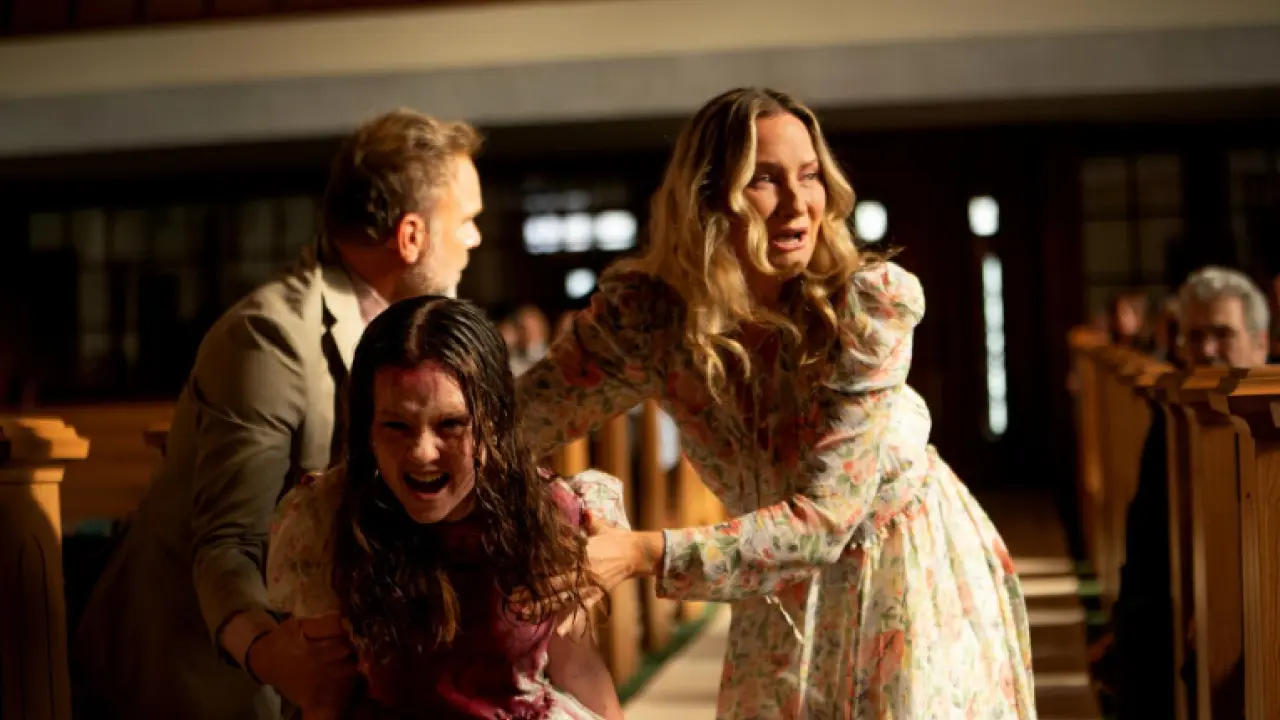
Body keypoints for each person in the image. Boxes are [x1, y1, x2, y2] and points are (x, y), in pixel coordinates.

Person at [72, 109, 625, 719]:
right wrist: (269, 655)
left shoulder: (420, 331)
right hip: (207, 669)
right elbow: (229, 542)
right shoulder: (270, 337)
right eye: (466, 220)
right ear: (411, 236)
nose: (474, 239)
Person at [516, 87, 1035, 718]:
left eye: (810, 175)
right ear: (707, 198)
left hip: (899, 579)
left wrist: (640, 552)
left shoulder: (864, 307)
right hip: (771, 589)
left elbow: (824, 520)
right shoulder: (652, 320)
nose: (798, 203)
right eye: (764, 179)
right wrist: (583, 501)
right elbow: (512, 424)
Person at [267, 296, 624, 719]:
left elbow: (576, 665)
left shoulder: (545, 514)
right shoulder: (329, 518)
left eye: (451, 424)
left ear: (493, 422)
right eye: (396, 425)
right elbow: (327, 693)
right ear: (367, 428)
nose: (421, 453)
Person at [1111, 265, 1269, 719]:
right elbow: (1144, 540)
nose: (1207, 350)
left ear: (1261, 342)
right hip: (1178, 609)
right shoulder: (1172, 420)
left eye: (1223, 334)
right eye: (1195, 337)